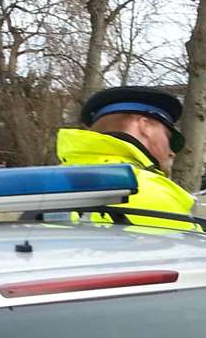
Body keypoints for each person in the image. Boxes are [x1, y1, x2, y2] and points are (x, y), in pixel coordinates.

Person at [55, 86, 197, 230]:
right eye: (169, 138)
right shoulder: (150, 191)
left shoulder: (45, 185)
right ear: (145, 126)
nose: (172, 152)